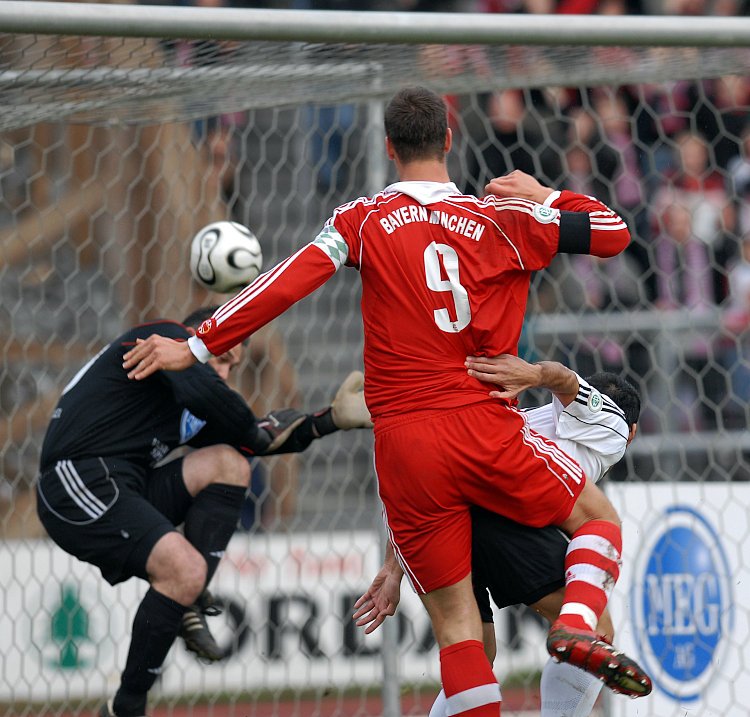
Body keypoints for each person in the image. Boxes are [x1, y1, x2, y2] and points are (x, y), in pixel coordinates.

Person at [121, 86, 652, 715]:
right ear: (450, 140)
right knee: (597, 519)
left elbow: (289, 279)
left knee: (458, 631)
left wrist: (201, 344)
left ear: (388, 148)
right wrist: (544, 195)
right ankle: (575, 621)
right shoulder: (502, 219)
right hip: (480, 425)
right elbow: (614, 233)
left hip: (403, 448)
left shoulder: (362, 219)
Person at [35, 306, 371, 717]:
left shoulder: (194, 400)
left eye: (234, 366)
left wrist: (328, 419)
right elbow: (234, 414)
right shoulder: (161, 339)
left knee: (230, 464)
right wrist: (243, 423)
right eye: (222, 358)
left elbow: (255, 441)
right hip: (74, 481)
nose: (227, 375)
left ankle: (185, 604)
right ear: (199, 337)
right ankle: (128, 707)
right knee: (184, 568)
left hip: (127, 489)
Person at [353, 353, 641, 717]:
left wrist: (393, 570)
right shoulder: (614, 429)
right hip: (499, 515)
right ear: (633, 432)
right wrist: (536, 374)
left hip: (445, 514)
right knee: (595, 629)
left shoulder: (523, 421)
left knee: (475, 654)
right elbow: (567, 379)